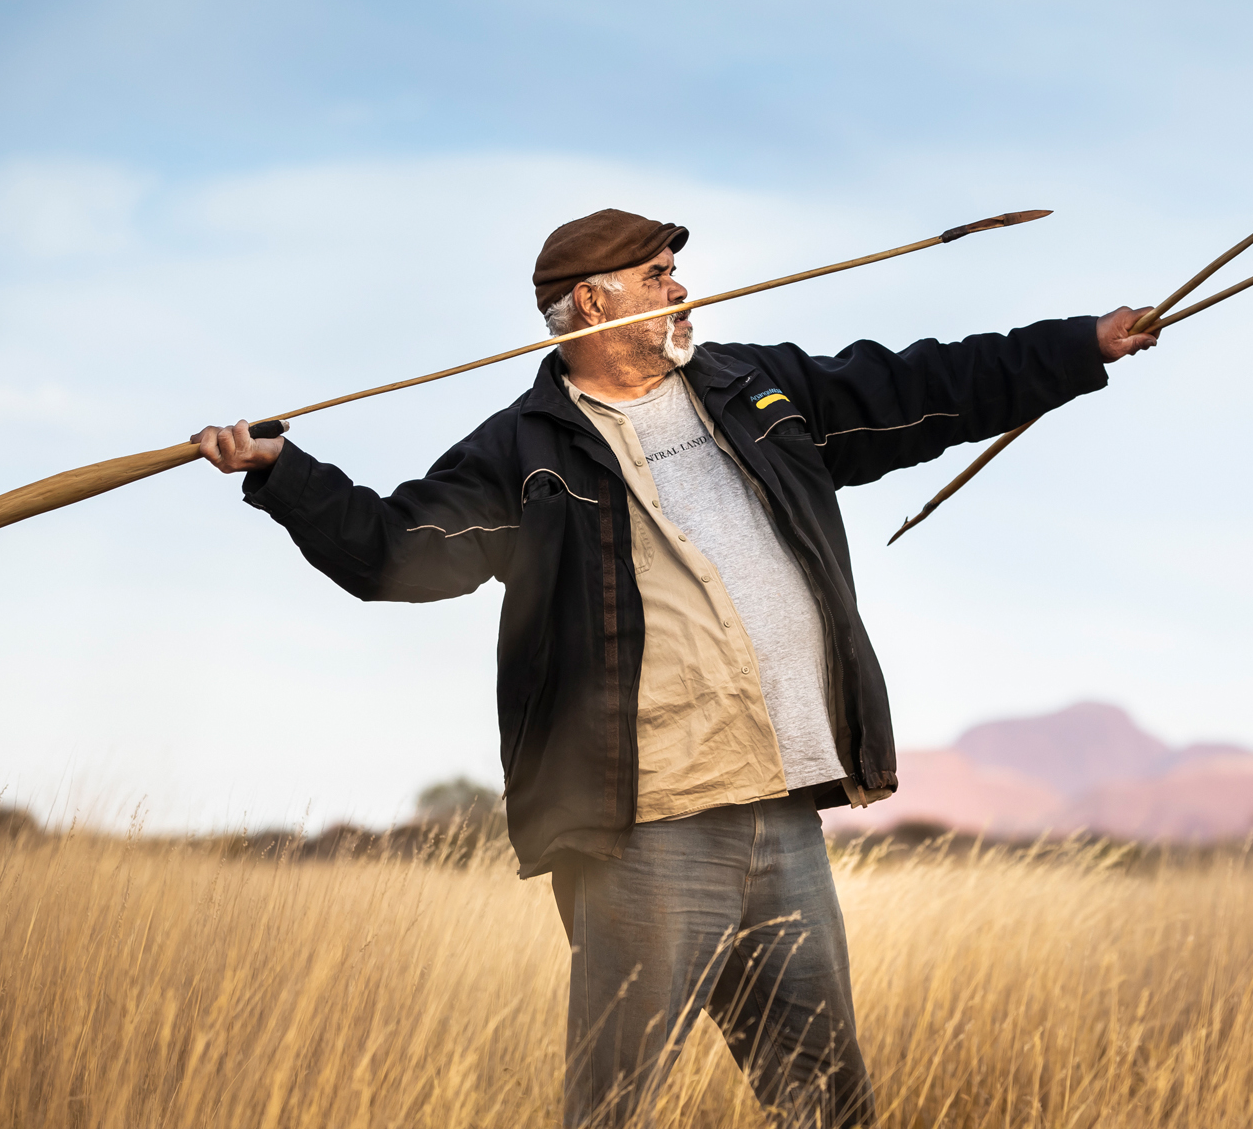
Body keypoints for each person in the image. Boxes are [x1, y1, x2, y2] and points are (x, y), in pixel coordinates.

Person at [193, 208, 1157, 1127]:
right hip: (644, 830)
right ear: (600, 305)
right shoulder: (522, 452)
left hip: (782, 810)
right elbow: (393, 550)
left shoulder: (757, 390)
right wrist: (282, 474)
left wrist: (1080, 347)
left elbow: (916, 386)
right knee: (615, 1105)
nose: (683, 287)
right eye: (658, 275)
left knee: (826, 1098)